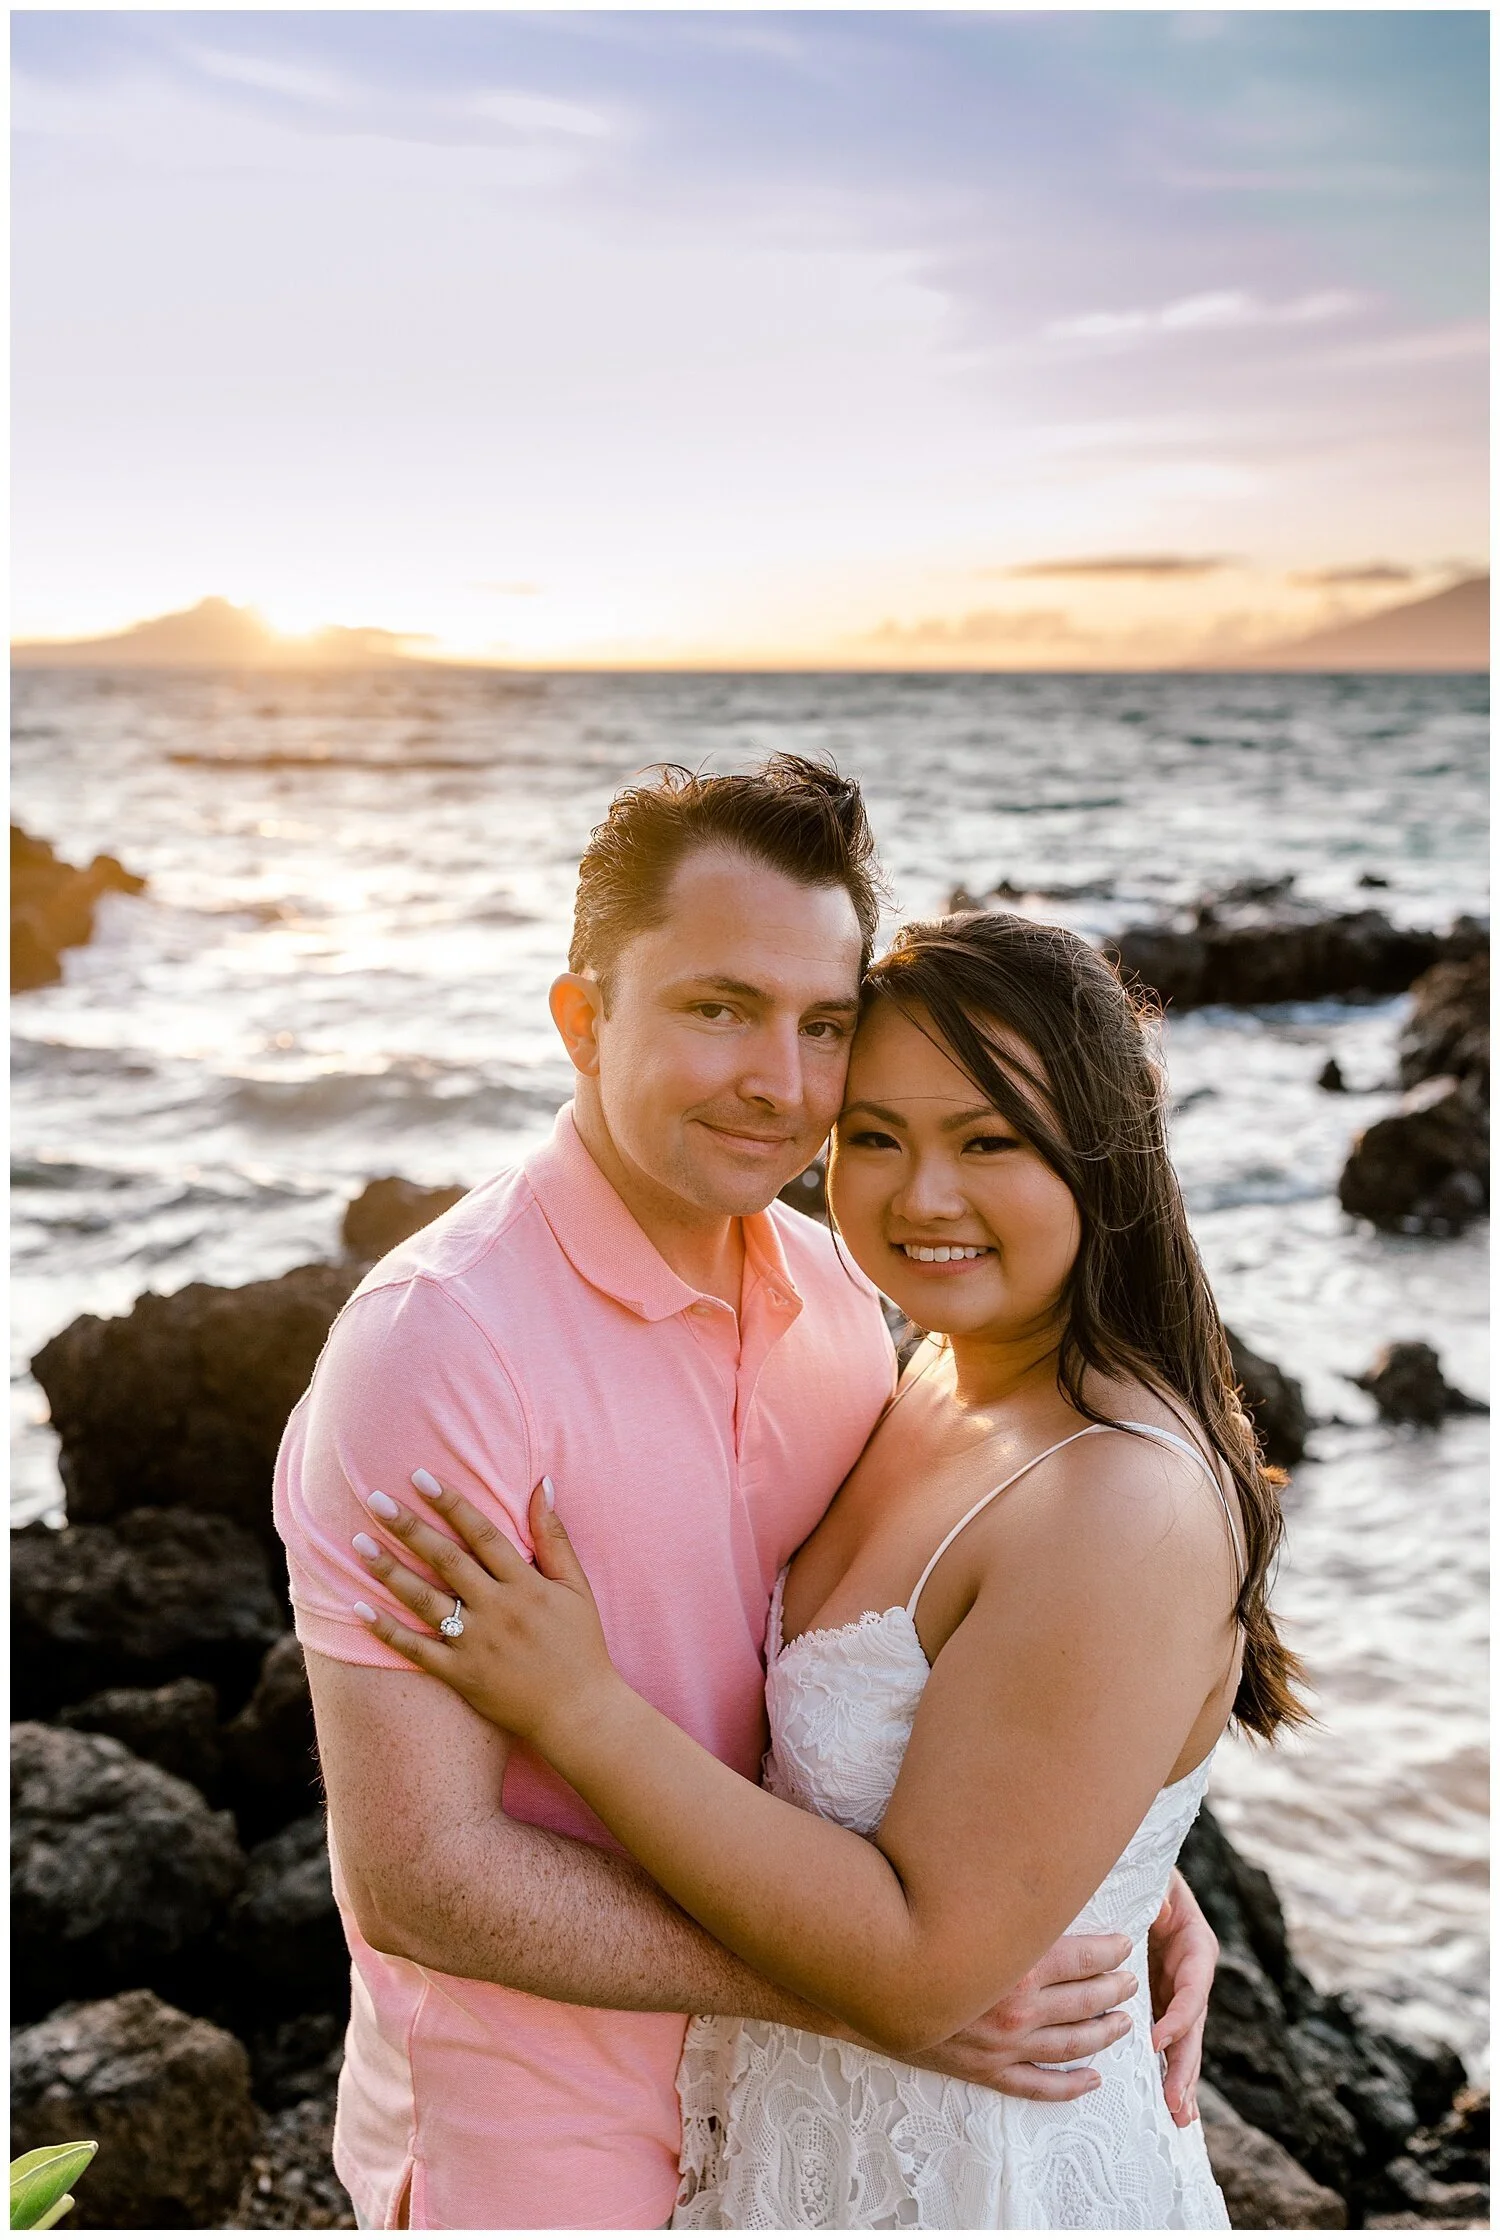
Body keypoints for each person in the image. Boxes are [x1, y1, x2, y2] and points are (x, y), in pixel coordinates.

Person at [276, 760, 1220, 2231]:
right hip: (550, 2139)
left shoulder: (847, 1301)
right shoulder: (441, 1349)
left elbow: (949, 1674)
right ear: (584, 1021)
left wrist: (1106, 1866)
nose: (782, 1082)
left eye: (823, 1024)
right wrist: (879, 1994)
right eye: (718, 1008)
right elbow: (422, 1875)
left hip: (820, 2144)